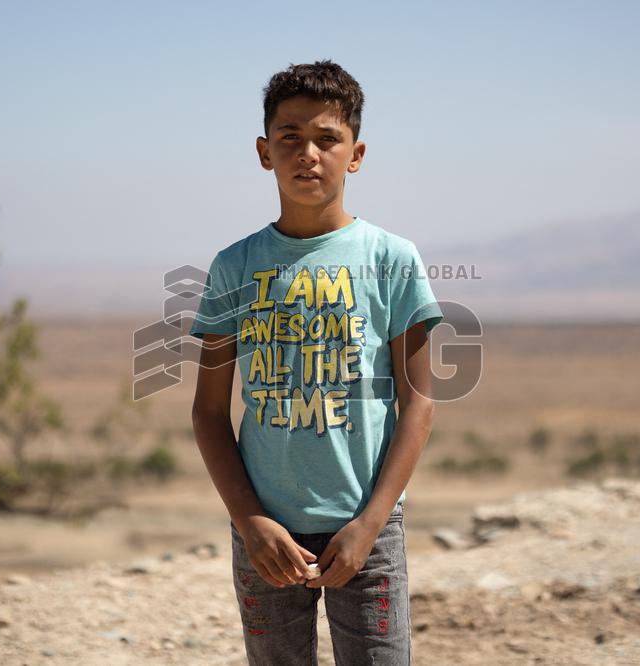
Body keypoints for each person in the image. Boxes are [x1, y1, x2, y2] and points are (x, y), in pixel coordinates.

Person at [189, 59, 443, 665]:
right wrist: (250, 521)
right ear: (263, 151)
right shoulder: (235, 266)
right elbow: (206, 410)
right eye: (290, 137)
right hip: (267, 535)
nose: (309, 153)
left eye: (327, 138)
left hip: (366, 531)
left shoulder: (391, 258)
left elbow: (420, 403)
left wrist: (370, 524)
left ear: (355, 153)